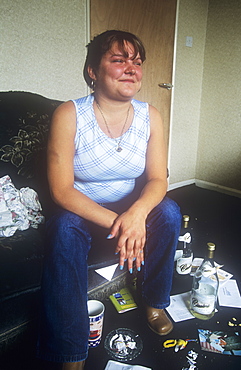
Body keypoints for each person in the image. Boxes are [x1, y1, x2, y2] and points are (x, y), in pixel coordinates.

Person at [37, 30, 181, 369]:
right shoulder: (69, 114)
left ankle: (155, 301)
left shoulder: (152, 116)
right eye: (119, 60)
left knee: (170, 212)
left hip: (132, 204)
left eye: (136, 62)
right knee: (62, 230)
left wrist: (137, 214)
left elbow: (159, 178)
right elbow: (61, 190)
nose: (131, 68)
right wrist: (125, 224)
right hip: (83, 210)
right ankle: (69, 348)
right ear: (93, 71)